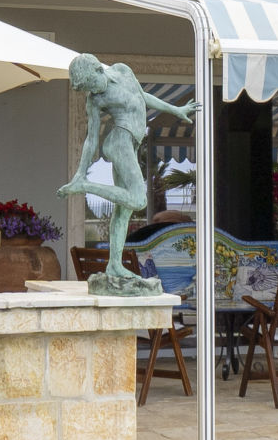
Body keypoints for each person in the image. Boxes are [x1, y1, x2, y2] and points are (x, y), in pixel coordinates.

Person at [58, 53, 196, 296]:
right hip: (119, 141)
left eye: (91, 85)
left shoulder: (123, 71)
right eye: (87, 90)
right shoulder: (95, 100)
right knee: (139, 200)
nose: (91, 92)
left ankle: (114, 264)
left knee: (123, 211)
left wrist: (176, 109)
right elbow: (91, 139)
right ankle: (85, 185)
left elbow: (141, 97)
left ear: (99, 71)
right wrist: (80, 171)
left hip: (130, 143)